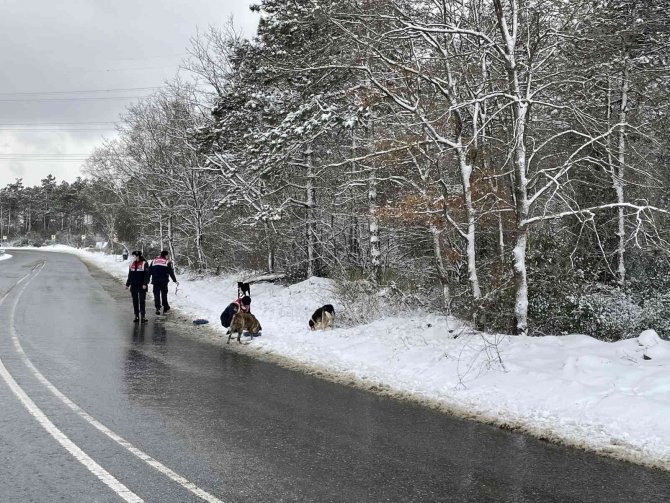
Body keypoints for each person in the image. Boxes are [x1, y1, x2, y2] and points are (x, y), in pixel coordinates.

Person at [149, 250, 179, 315]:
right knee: (164, 294)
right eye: (168, 255)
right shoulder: (166, 262)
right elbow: (171, 272)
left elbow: (149, 271)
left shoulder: (154, 261)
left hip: (155, 281)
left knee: (156, 294)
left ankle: (157, 308)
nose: (168, 257)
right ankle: (165, 307)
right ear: (166, 255)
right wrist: (175, 280)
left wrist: (147, 280)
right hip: (164, 281)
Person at [125, 250, 150, 323]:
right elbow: (130, 275)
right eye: (133, 256)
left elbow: (147, 275)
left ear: (138, 256)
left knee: (142, 301)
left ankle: (143, 316)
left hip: (142, 286)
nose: (133, 257)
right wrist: (127, 284)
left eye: (134, 256)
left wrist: (145, 284)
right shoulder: (132, 263)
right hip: (133, 285)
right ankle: (136, 316)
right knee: (135, 301)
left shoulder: (144, 263)